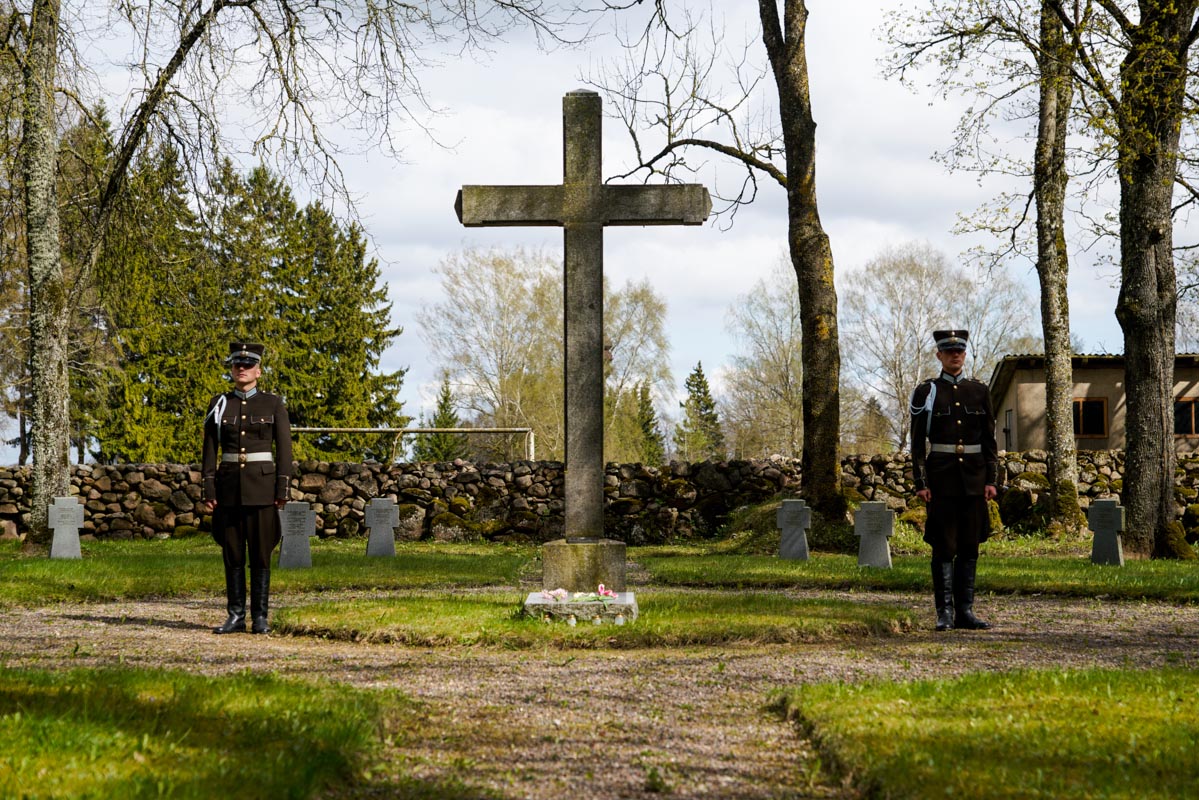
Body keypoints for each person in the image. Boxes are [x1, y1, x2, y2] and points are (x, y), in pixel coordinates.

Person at [910, 329, 999, 631]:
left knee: (970, 546)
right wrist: (920, 482)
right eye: (949, 352)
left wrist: (992, 479)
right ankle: (944, 612)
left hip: (974, 480)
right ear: (939, 355)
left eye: (959, 351)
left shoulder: (979, 390)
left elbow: (989, 439)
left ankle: (966, 611)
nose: (955, 356)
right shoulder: (927, 391)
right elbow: (917, 442)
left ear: (965, 353)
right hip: (942, 480)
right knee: (944, 546)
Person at [201, 342, 292, 634]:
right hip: (228, 490)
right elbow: (210, 449)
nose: (242, 369)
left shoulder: (273, 403)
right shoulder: (219, 403)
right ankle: (236, 616)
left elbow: (284, 450)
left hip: (263, 488)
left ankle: (260, 617)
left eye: (248, 365)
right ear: (231, 369)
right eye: (237, 365)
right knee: (233, 553)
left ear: (259, 371)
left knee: (262, 553)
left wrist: (283, 488)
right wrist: (208, 489)